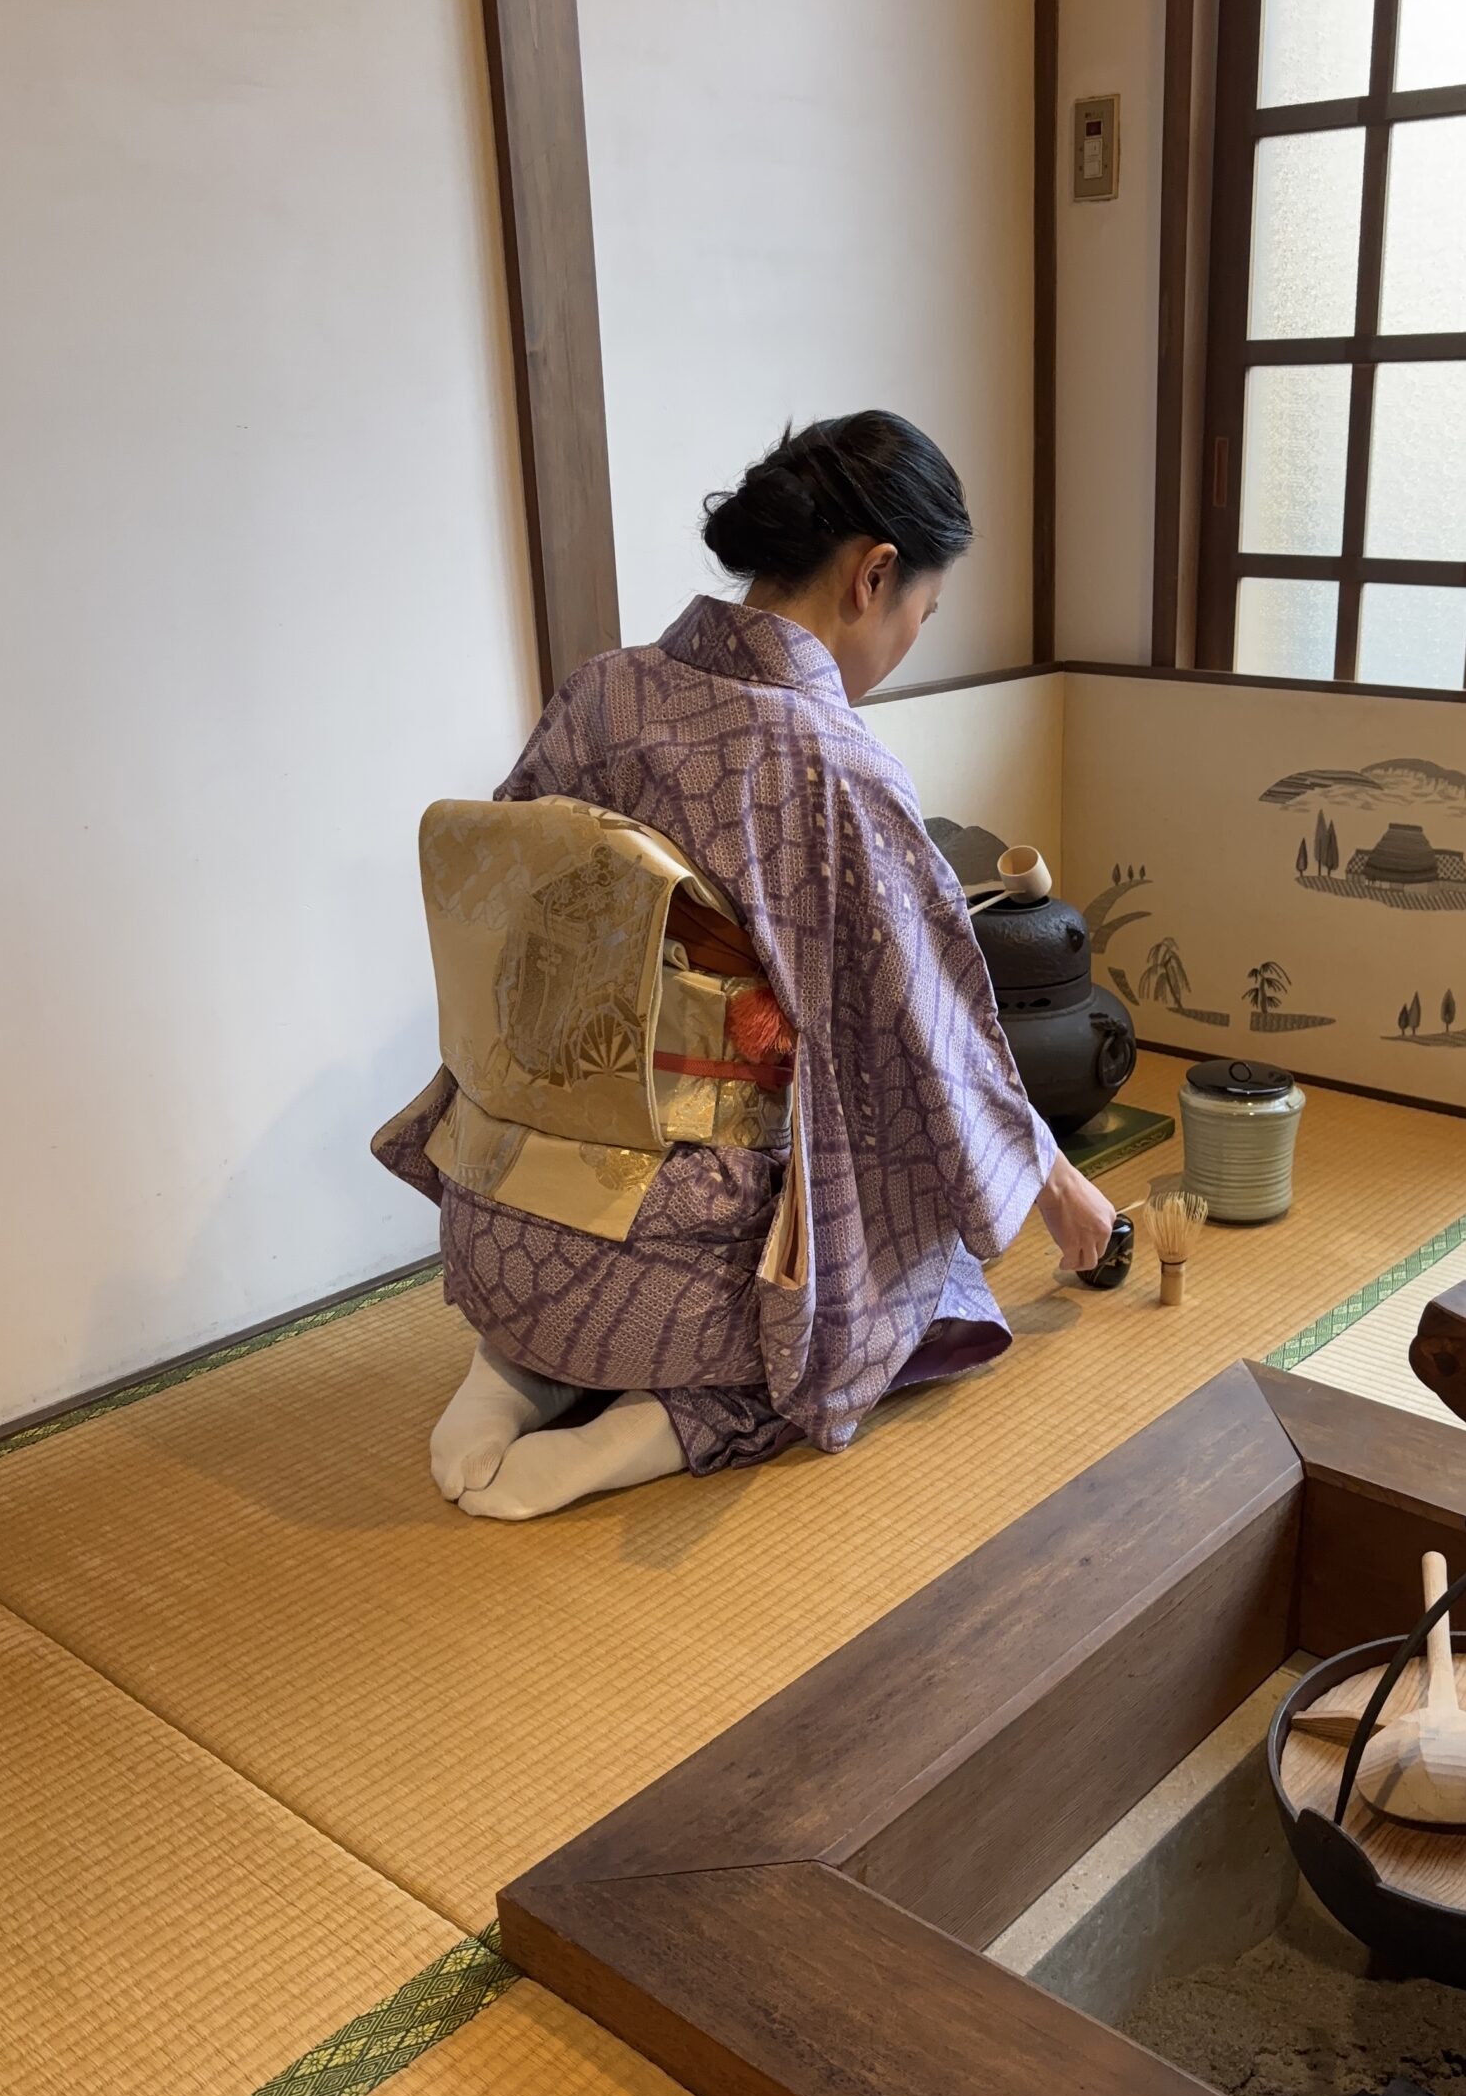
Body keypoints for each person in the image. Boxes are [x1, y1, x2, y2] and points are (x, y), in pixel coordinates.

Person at [374, 409, 1117, 1519]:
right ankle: (649, 1431)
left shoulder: (603, 690)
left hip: (505, 1224)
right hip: (676, 1272)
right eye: (921, 613)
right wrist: (1052, 1182)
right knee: (924, 1285)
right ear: (873, 575)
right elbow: (929, 1034)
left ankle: (514, 1373)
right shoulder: (830, 765)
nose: (908, 642)